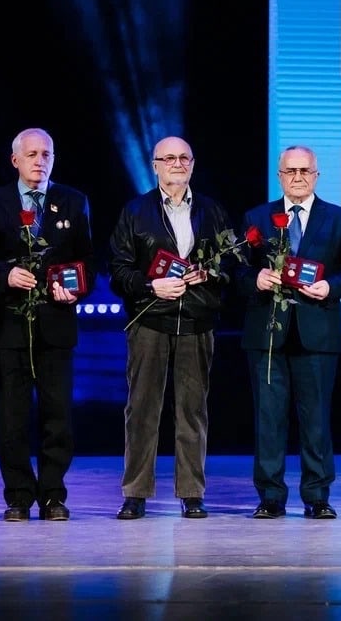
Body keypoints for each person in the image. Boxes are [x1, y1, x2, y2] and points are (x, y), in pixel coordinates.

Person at [108, 136, 238, 520]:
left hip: (197, 321)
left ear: (193, 164)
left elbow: (233, 263)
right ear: (155, 166)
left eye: (184, 158)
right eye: (169, 158)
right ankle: (135, 493)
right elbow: (118, 270)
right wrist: (152, 286)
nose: (177, 164)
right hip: (150, 320)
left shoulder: (212, 211)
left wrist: (209, 273)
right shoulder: (135, 211)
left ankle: (192, 493)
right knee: (142, 410)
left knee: (192, 411)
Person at [0, 127, 93, 522]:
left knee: (58, 415)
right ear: (15, 160)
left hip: (56, 325)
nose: (40, 161)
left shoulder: (74, 201)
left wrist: (76, 290)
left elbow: (88, 261)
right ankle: (18, 496)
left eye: (46, 154)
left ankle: (53, 495)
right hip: (9, 326)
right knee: (13, 416)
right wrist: (5, 275)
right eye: (32, 154)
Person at [239, 145, 341, 519]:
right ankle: (270, 496)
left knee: (316, 419)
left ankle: (317, 496)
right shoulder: (257, 218)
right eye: (290, 171)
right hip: (268, 334)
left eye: (304, 171)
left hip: (318, 330)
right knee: (269, 418)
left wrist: (330, 287)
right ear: (279, 176)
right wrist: (256, 278)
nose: (297, 177)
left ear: (316, 175)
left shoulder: (340, 218)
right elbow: (237, 270)